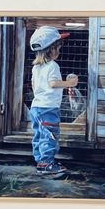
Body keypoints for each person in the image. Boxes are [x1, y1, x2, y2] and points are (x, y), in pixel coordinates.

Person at [29, 26, 78, 175]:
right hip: (48, 108)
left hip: (36, 107)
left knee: (39, 135)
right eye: (58, 48)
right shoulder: (52, 66)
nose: (59, 51)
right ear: (51, 49)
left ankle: (40, 161)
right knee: (50, 135)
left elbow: (33, 85)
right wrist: (70, 83)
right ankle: (46, 164)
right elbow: (53, 83)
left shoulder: (36, 68)